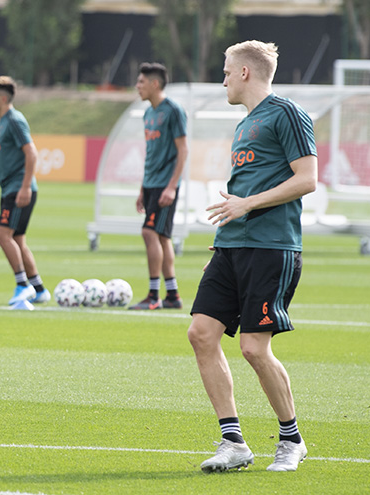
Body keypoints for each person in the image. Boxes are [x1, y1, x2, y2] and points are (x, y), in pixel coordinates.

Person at [188, 40, 316, 473]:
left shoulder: (287, 113)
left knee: (253, 349)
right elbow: (243, 192)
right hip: (232, 246)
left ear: (244, 72)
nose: (223, 78)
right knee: (201, 333)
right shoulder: (245, 124)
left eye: (226, 71)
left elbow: (308, 179)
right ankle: (233, 442)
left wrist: (247, 205)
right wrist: (225, 239)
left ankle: (291, 440)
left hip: (272, 247)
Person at [0, 75, 49, 309]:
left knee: (1, 235)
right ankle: (39, 288)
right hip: (9, 188)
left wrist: (25, 186)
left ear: (3, 98)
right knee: (17, 239)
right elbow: (1, 159)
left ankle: (22, 285)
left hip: (19, 189)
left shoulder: (15, 120)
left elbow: (32, 153)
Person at [128, 62, 188, 311]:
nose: (137, 86)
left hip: (165, 184)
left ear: (155, 84)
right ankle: (172, 295)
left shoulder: (173, 110)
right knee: (162, 237)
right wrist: (143, 189)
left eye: (141, 82)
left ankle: (153, 295)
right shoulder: (148, 113)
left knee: (149, 232)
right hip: (151, 184)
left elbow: (183, 150)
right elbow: (151, 154)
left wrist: (172, 187)